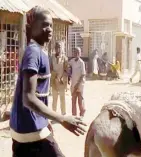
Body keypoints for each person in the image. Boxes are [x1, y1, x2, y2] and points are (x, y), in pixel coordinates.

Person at [9, 6, 86, 157]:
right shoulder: (34, 52)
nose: (49, 29)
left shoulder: (39, 52)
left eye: (51, 25)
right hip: (30, 131)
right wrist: (62, 118)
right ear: (31, 28)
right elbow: (28, 98)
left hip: (25, 129)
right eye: (44, 24)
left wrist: (44, 119)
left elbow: (31, 94)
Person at [50, 41, 68, 115]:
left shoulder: (64, 58)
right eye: (57, 47)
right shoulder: (52, 58)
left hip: (61, 82)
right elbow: (50, 69)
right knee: (54, 99)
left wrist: (62, 78)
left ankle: (63, 114)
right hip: (54, 81)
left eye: (59, 47)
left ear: (61, 48)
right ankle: (54, 115)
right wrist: (55, 76)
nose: (58, 48)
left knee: (62, 99)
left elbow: (66, 70)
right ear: (55, 48)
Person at [68, 47, 86, 117]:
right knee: (73, 101)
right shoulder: (72, 61)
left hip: (80, 85)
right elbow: (67, 66)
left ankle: (82, 113)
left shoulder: (81, 62)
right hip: (73, 84)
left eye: (78, 52)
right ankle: (74, 116)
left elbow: (83, 75)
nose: (77, 54)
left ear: (80, 53)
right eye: (75, 52)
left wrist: (77, 85)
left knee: (80, 101)